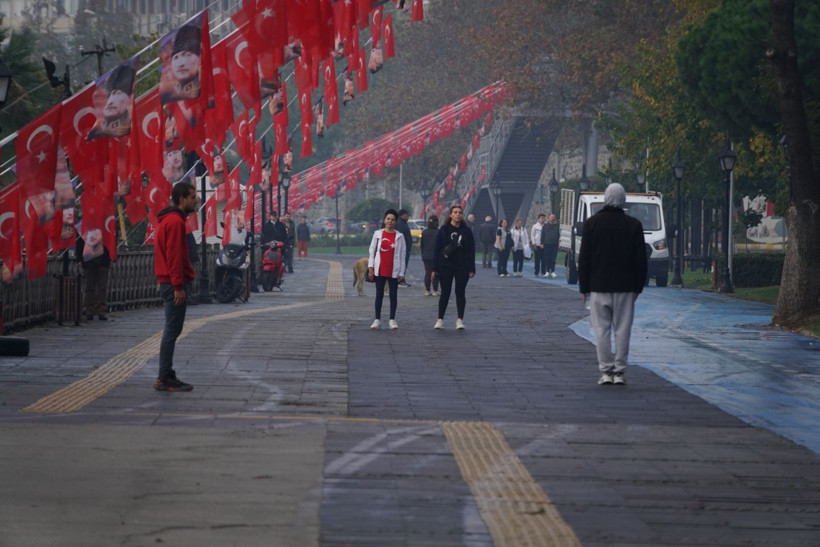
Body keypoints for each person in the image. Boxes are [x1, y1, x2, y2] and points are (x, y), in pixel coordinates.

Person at [578, 183, 648, 386]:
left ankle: (605, 370)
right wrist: (638, 286)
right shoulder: (633, 225)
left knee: (601, 330)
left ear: (605, 199)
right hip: (625, 287)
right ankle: (619, 371)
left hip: (599, 285)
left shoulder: (592, 224)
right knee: (623, 330)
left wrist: (584, 287)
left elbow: (585, 259)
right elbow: (640, 260)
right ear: (623, 200)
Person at [153, 181, 199, 392]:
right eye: (192, 196)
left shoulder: (170, 220)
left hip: (168, 282)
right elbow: (174, 256)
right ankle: (164, 376)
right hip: (173, 284)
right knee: (171, 331)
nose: (195, 199)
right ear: (181, 199)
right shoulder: (175, 222)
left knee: (173, 329)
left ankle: (166, 373)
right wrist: (178, 286)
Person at [431, 205, 475, 330]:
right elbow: (437, 250)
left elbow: (471, 251)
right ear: (450, 215)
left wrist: (471, 268)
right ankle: (440, 319)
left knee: (460, 292)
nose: (458, 214)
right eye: (455, 212)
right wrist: (435, 268)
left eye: (460, 212)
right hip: (446, 265)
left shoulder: (466, 231)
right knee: (445, 292)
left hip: (462, 266)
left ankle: (460, 319)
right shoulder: (443, 230)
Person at [367, 209, 407, 330]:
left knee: (393, 295)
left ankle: (392, 320)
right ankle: (377, 319)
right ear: (384, 220)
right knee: (379, 294)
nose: (390, 221)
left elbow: (402, 255)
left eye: (393, 219)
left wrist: (401, 273)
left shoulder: (400, 237)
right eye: (388, 219)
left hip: (393, 270)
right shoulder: (377, 234)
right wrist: (370, 268)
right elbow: (372, 252)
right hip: (380, 268)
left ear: (395, 222)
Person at [88, 63, 136, 140]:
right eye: (110, 96)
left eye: (118, 93)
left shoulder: (130, 127)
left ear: (130, 98)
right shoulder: (97, 130)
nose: (110, 102)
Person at [160, 24, 202, 103]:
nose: (181, 64)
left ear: (199, 58)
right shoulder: (169, 93)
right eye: (176, 57)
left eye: (188, 55)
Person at [76, 231, 112, 321]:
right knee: (89, 287)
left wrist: (112, 258)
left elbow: (112, 240)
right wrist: (79, 259)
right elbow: (79, 242)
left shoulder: (105, 223)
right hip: (88, 260)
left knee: (102, 287)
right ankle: (89, 310)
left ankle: (101, 311)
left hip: (103, 260)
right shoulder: (84, 225)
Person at [419, 215, 440, 296]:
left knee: (427, 272)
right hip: (436, 256)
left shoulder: (424, 232)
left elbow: (422, 245)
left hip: (426, 256)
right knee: (436, 273)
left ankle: (427, 290)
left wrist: (423, 253)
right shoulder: (438, 232)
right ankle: (435, 290)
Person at [395, 209, 413, 287]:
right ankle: (400, 280)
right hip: (403, 249)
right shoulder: (400, 224)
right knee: (402, 264)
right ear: (403, 215)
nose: (408, 217)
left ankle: (401, 279)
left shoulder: (403, 223)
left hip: (406, 248)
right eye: (407, 215)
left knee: (404, 264)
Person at [542, 213, 560, 278]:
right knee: (547, 258)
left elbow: (559, 235)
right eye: (551, 217)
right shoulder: (545, 226)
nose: (553, 218)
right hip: (547, 244)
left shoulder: (557, 226)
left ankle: (552, 271)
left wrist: (559, 243)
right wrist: (542, 243)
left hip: (554, 244)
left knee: (553, 259)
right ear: (548, 218)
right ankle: (547, 271)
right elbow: (542, 235)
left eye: (553, 217)